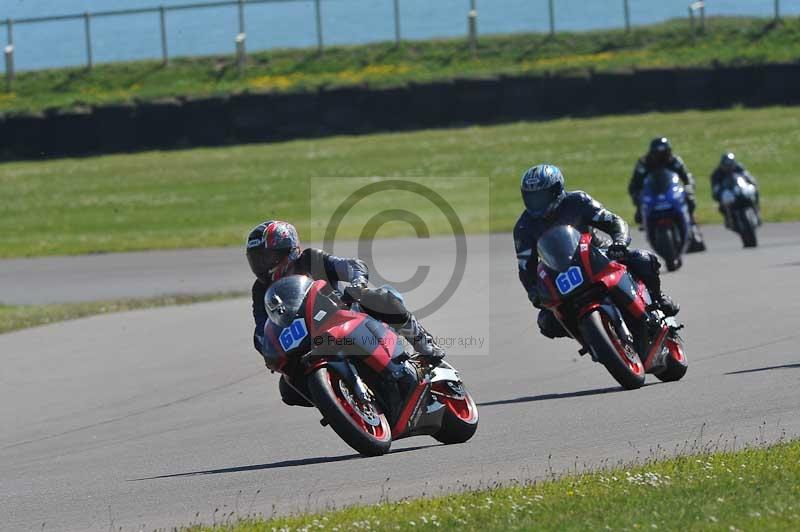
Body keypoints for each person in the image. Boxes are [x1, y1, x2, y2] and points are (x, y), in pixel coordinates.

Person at [246, 220, 444, 406]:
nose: (262, 266)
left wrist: (357, 284)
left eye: (267, 258)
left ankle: (422, 341)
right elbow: (262, 326)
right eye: (257, 260)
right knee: (288, 389)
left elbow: (350, 266)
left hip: (346, 315)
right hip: (308, 339)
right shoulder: (260, 289)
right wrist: (266, 346)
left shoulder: (311, 259)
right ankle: (339, 404)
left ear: (289, 251)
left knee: (383, 298)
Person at [514, 164, 679, 340]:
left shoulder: (577, 201)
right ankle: (592, 339)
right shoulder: (524, 227)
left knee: (643, 259)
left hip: (597, 253)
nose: (537, 203)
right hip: (560, 273)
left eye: (542, 196)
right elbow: (526, 267)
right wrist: (533, 292)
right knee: (547, 322)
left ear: (556, 190)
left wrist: (620, 242)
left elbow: (613, 221)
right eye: (532, 198)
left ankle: (658, 299)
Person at [629, 137, 704, 249]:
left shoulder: (675, 161)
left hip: (671, 192)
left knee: (690, 202)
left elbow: (687, 178)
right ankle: (646, 223)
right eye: (658, 154)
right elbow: (634, 183)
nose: (662, 157)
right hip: (652, 194)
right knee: (639, 212)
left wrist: (689, 191)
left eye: (664, 153)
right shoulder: (643, 163)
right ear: (652, 153)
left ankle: (692, 229)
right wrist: (636, 196)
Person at [711, 152, 761, 226]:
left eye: (730, 165)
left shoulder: (738, 167)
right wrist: (719, 194)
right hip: (727, 193)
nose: (729, 168)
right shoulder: (716, 174)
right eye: (727, 165)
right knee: (721, 207)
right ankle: (728, 219)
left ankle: (756, 210)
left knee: (754, 191)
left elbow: (747, 176)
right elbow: (715, 189)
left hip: (740, 189)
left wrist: (752, 183)